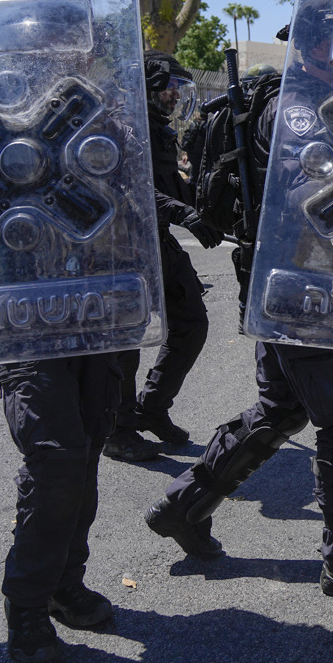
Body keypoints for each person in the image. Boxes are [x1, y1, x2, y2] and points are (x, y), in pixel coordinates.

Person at [144, 0, 333, 605]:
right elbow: (306, 203)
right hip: (299, 284)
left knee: (281, 408)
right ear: (319, 43)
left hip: (296, 279)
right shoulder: (299, 111)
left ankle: (184, 507)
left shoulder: (321, 102)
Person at [105, 52, 221, 462]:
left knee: (191, 322)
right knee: (127, 338)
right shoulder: (121, 127)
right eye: (171, 86)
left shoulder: (159, 130)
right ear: (149, 87)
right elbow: (130, 189)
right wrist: (183, 213)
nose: (176, 96)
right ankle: (117, 430)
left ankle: (150, 408)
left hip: (157, 242)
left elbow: (173, 187)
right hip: (122, 246)